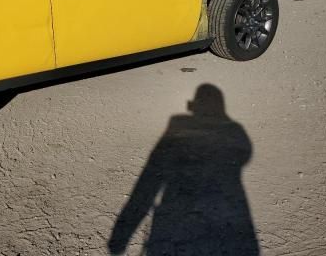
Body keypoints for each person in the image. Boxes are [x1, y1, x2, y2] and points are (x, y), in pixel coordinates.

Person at [108, 84, 258, 255]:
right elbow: (245, 154)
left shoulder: (179, 123)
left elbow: (148, 180)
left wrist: (120, 237)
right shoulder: (234, 128)